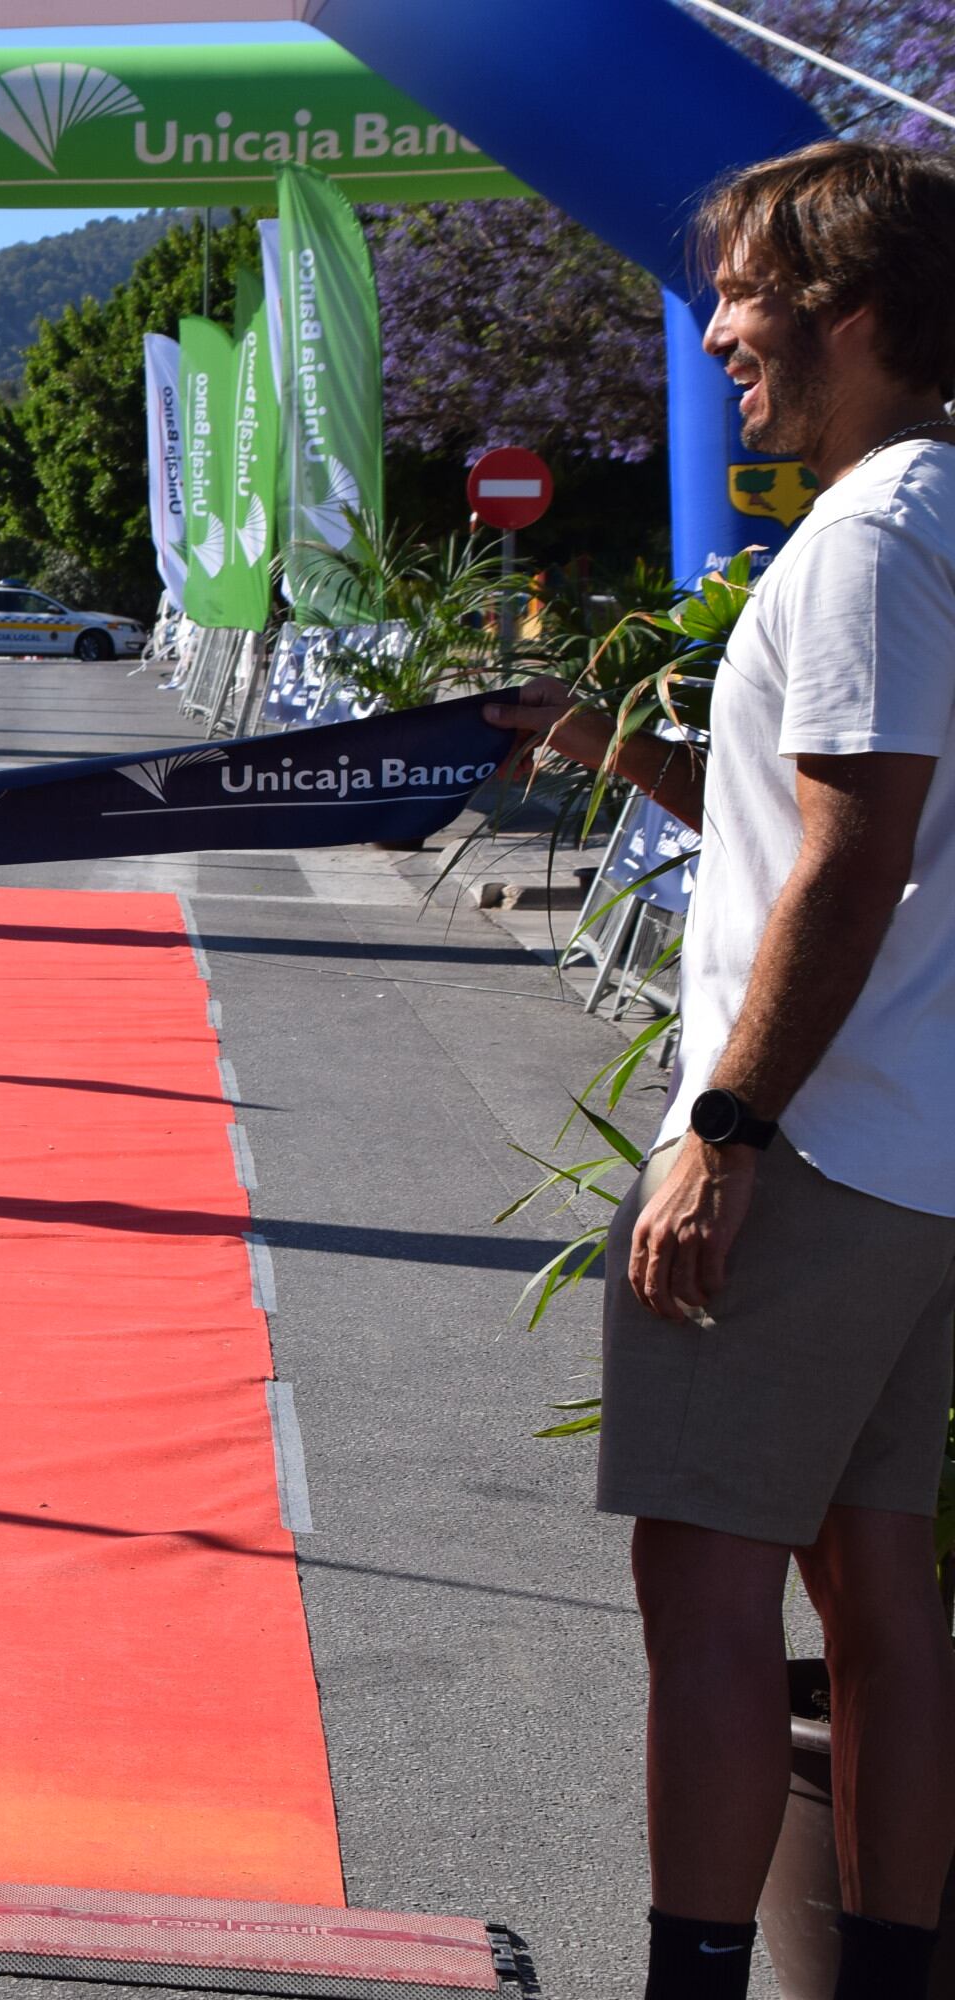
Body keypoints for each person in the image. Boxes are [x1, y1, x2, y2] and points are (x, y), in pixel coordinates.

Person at [485, 139, 955, 2000]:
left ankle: (690, 1980)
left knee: (702, 1600)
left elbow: (852, 853)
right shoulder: (937, 512)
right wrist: (624, 751)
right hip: (911, 1146)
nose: (719, 339)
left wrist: (726, 1132)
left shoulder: (863, 533)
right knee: (876, 1591)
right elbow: (813, 817)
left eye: (743, 301)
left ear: (848, 313)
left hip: (812, 1143)